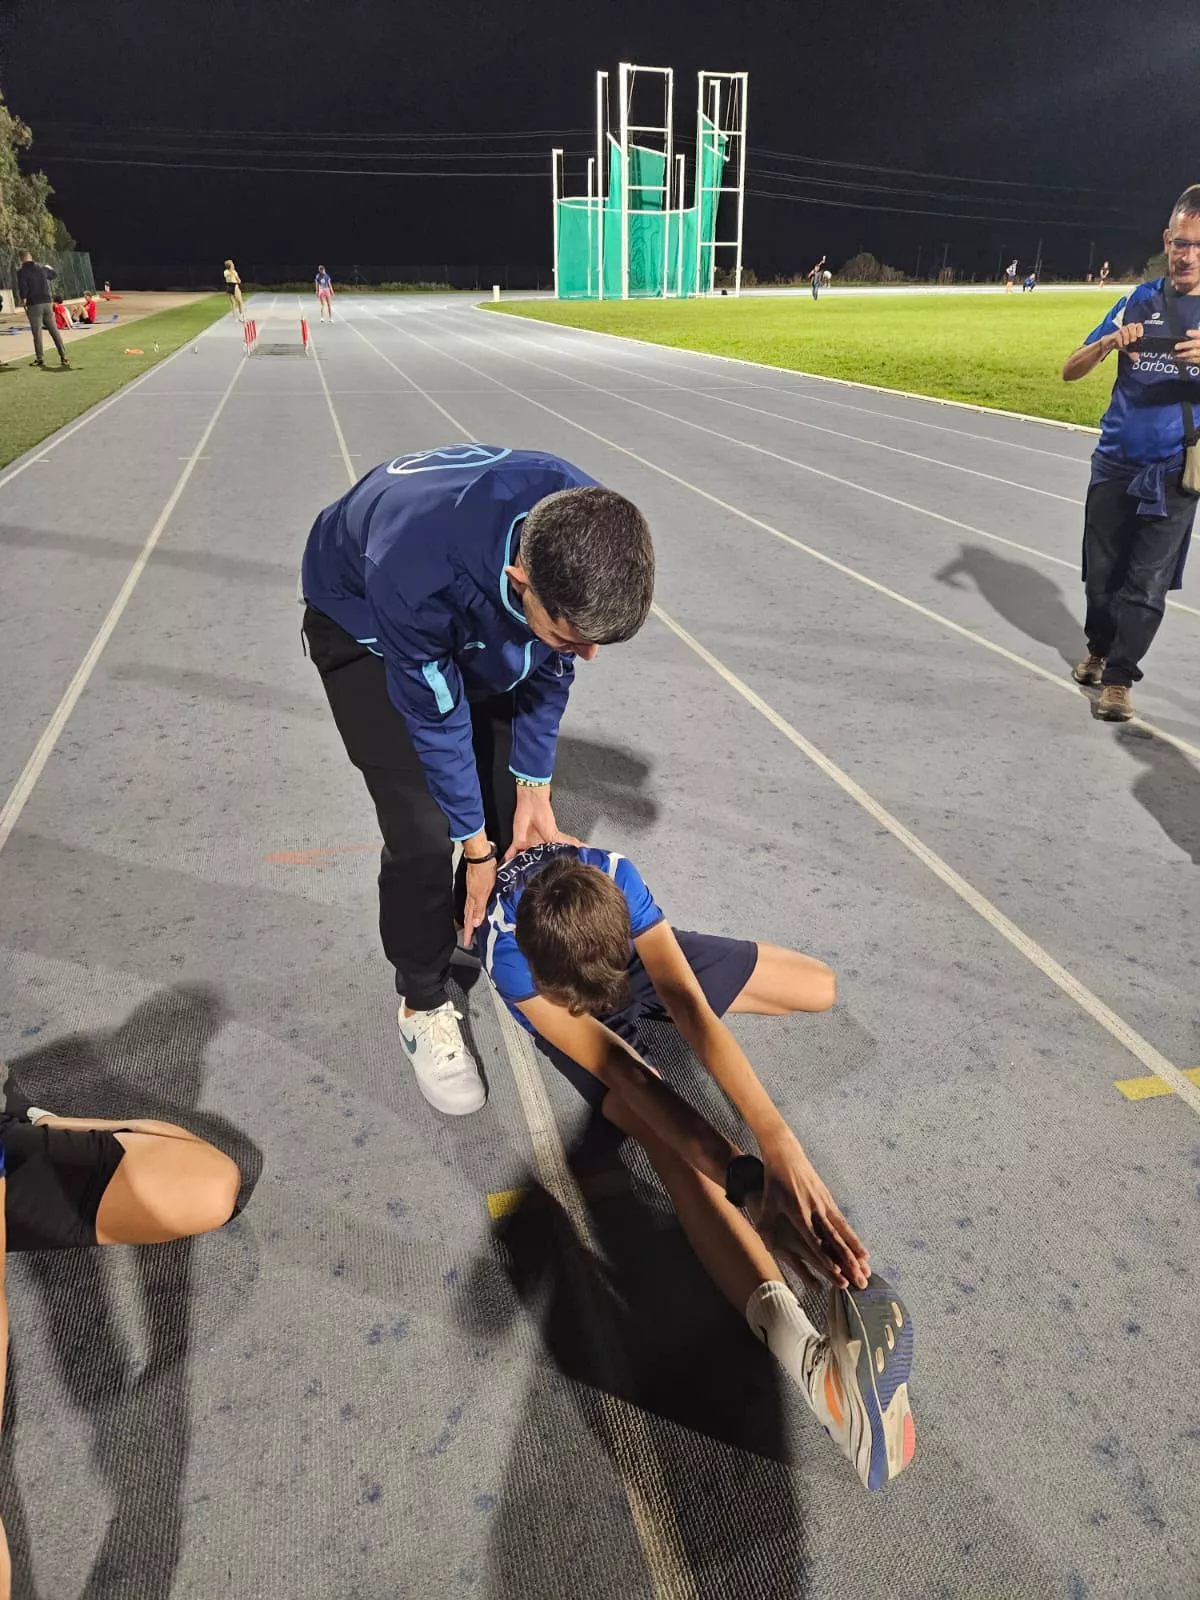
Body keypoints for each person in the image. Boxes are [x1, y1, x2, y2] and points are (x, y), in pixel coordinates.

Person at [477, 843, 916, 1490]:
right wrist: (748, 1181)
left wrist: (780, 1142)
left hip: (626, 964)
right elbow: (625, 1071)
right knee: (656, 1125)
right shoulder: (509, 955)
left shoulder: (616, 874)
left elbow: (687, 1003)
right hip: (577, 991)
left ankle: (638, 990)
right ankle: (815, 1372)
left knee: (818, 988)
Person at [301, 446, 655, 1116]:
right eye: (573, 634)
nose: (590, 655)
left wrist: (532, 787)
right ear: (522, 579)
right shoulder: (417, 574)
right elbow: (436, 724)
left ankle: (483, 934)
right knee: (421, 828)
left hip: (469, 581)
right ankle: (422, 998)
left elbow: (553, 665)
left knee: (502, 802)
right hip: (363, 618)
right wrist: (476, 848)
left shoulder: (587, 522)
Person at [1062, 183, 1200, 721]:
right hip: (1116, 462)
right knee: (1102, 578)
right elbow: (1069, 370)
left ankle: (1119, 679)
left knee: (1146, 585)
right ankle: (1099, 647)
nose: (1188, 255)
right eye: (1182, 242)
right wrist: (1106, 344)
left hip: (1175, 472)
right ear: (1167, 240)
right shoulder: (1136, 300)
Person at [16, 251, 70, 370]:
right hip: (47, 302)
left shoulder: (21, 272)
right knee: (54, 330)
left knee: (37, 333)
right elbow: (53, 275)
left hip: (34, 304)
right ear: (31, 257)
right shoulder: (41, 268)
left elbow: (23, 286)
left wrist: (23, 299)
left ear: (21, 259)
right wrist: (49, 267)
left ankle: (40, 358)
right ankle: (64, 356)